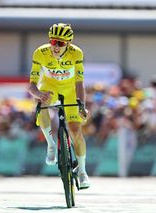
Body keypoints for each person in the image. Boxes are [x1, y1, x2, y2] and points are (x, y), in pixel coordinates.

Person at [28, 23, 91, 189]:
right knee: (41, 105)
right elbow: (32, 85)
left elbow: (79, 82)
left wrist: (81, 105)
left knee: (75, 131)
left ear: (68, 44)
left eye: (61, 43)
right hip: (50, 87)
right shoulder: (40, 53)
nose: (55, 46)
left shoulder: (76, 53)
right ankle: (51, 144)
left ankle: (83, 172)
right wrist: (38, 94)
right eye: (53, 42)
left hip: (70, 89)